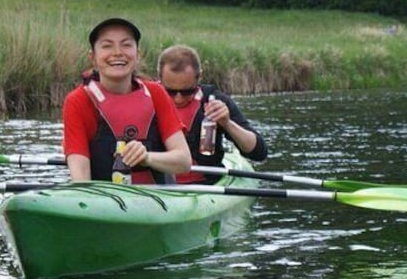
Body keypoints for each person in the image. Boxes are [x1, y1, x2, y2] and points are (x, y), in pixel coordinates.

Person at [62, 18, 192, 183]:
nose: (117, 52)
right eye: (107, 46)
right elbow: (81, 179)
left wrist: (147, 157)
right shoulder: (77, 101)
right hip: (104, 202)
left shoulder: (156, 93)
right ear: (93, 57)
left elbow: (184, 162)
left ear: (138, 54)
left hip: (158, 201)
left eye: (126, 45)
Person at [157, 44, 268, 184]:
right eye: (170, 91)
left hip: (205, 185)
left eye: (186, 91)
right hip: (158, 186)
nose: (178, 98)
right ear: (159, 78)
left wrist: (227, 124)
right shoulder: (145, 98)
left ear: (199, 77)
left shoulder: (215, 102)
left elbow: (259, 153)